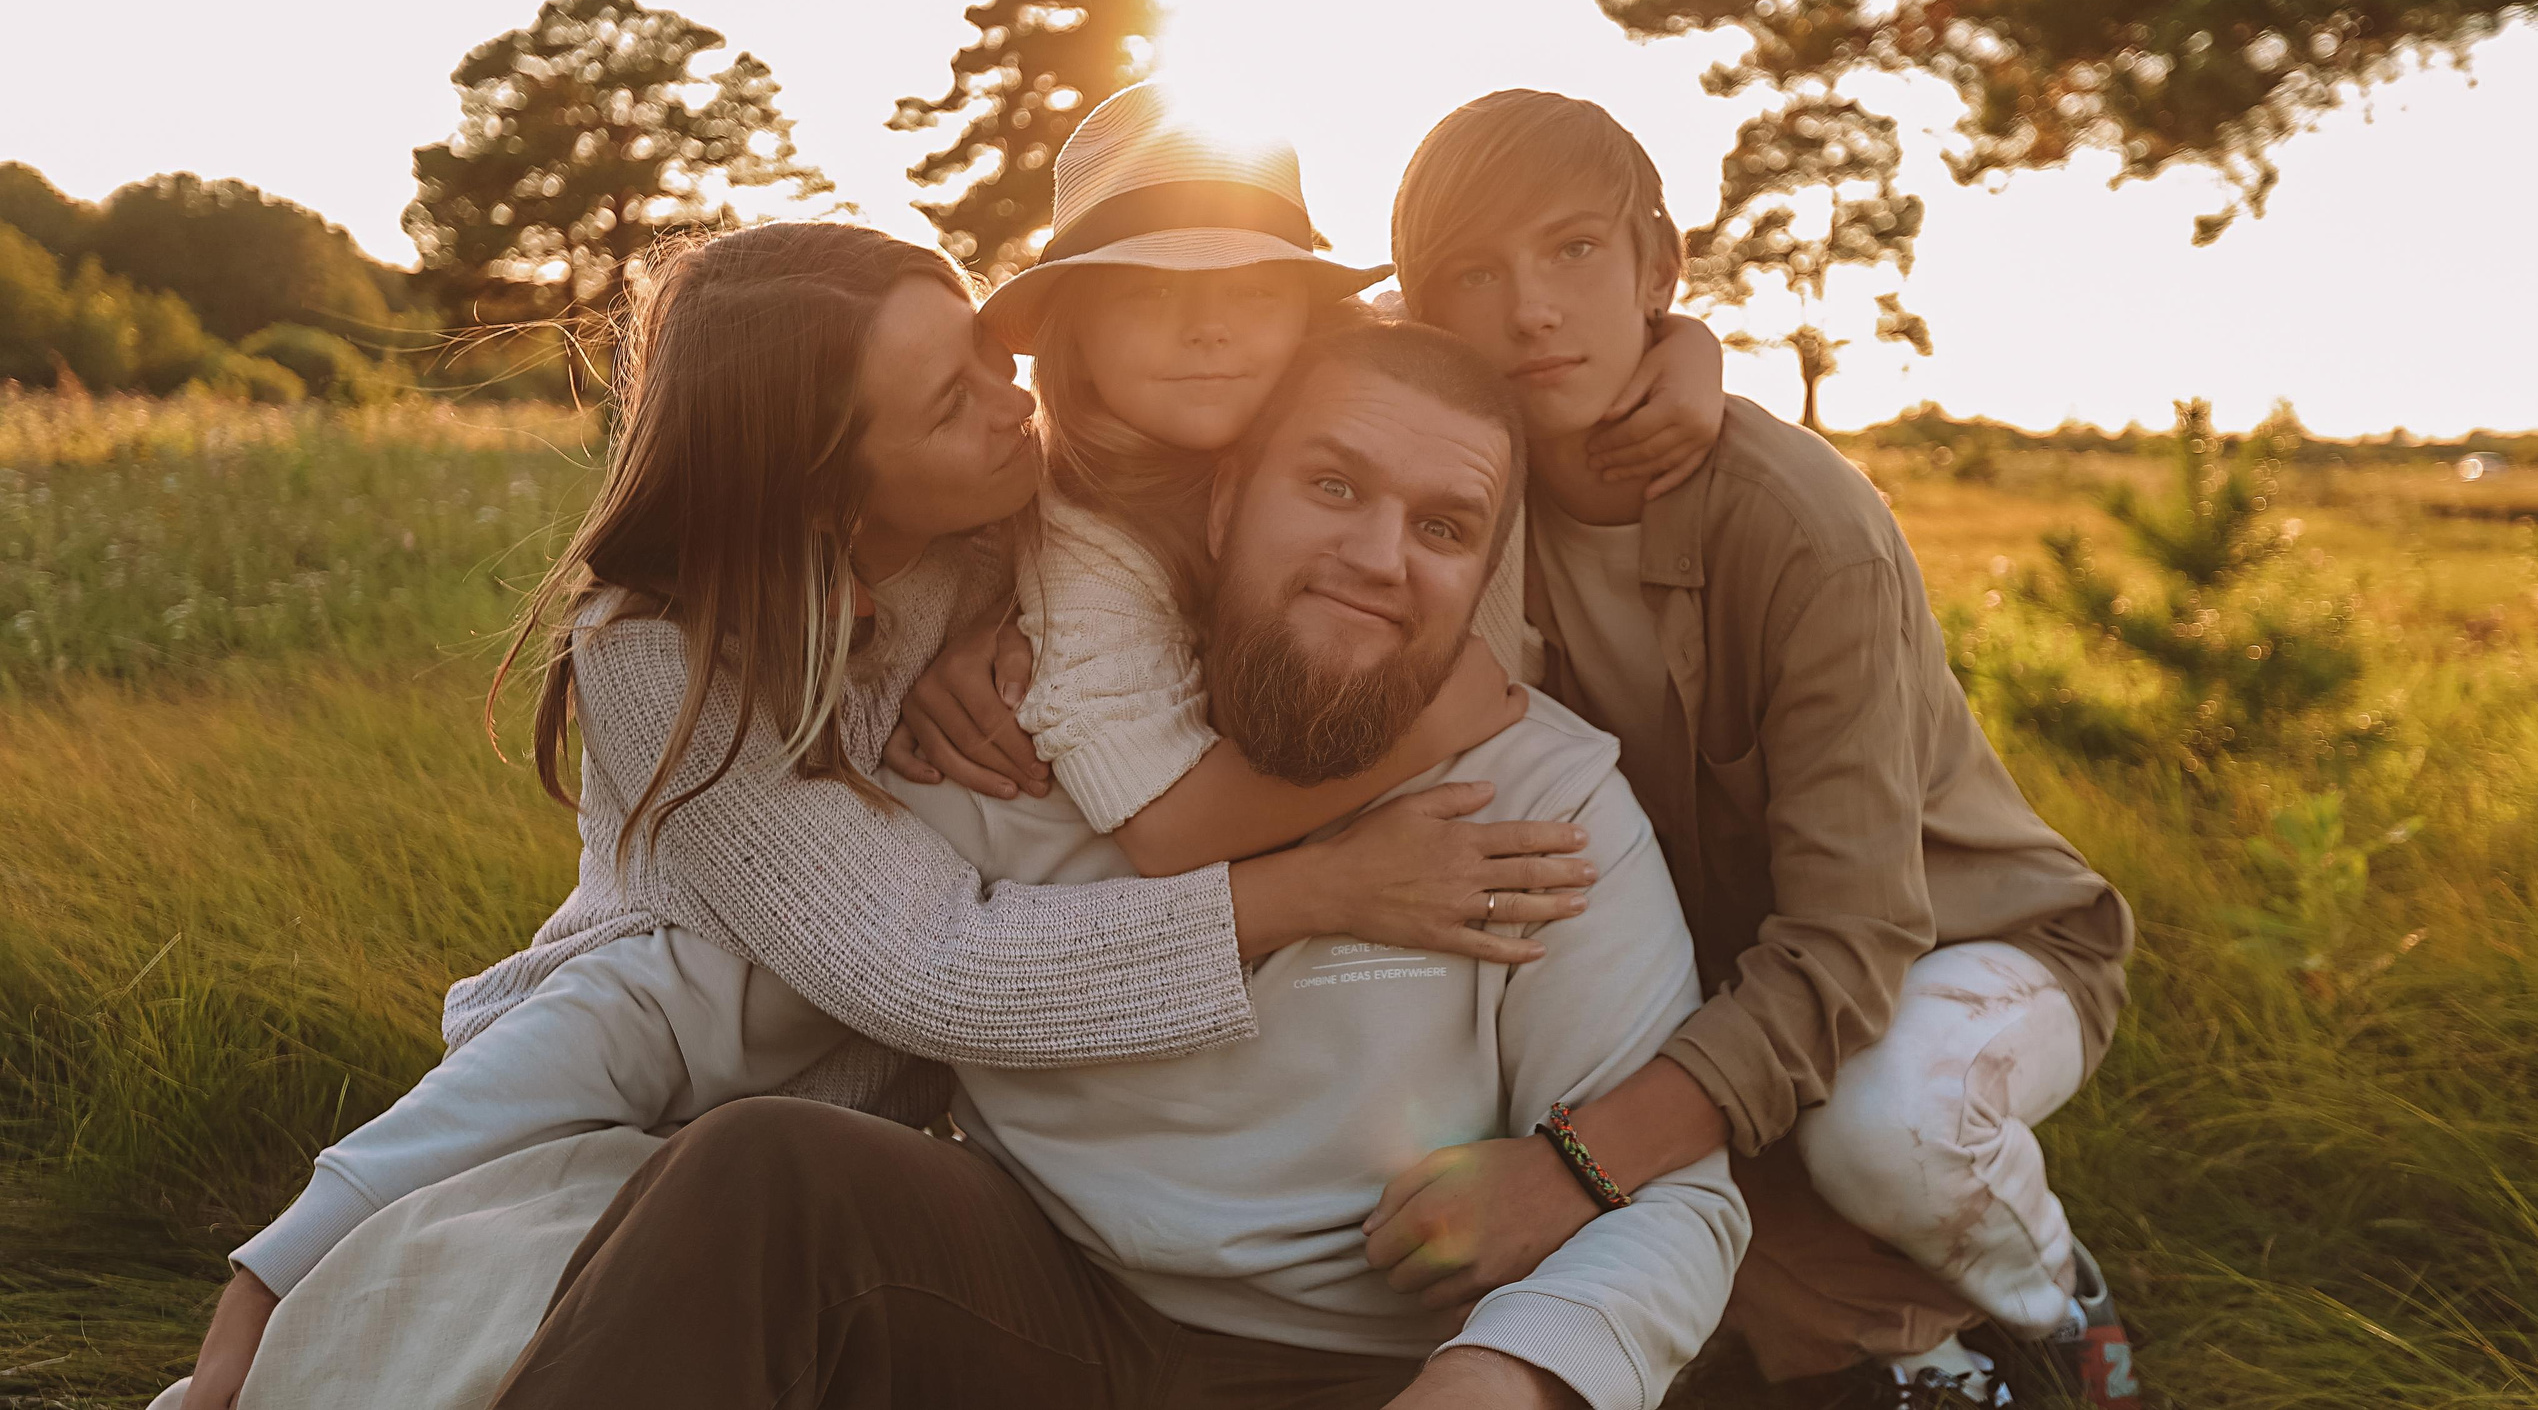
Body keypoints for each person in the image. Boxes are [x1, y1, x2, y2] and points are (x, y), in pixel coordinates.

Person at [170, 222, 1599, 1410]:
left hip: (850, 1126)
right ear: (828, 480)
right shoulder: (654, 655)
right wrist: (1327, 882)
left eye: (987, 347)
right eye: (948, 402)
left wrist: (1674, 351)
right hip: (642, 1044)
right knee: (373, 1329)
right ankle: (250, 1319)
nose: (1012, 400)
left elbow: (1353, 368)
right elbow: (928, 965)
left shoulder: (1009, 530)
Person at [483, 321, 1749, 1410]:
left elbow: (1676, 1202)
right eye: (1331, 487)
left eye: (1443, 525)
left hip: (1356, 1363)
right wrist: (389, 1178)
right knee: (761, 1171)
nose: (1379, 555)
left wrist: (1507, 1377)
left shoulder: (1544, 798)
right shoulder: (1017, 736)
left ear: (1482, 575)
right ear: (1220, 503)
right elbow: (788, 986)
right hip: (1035, 1295)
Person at [1369, 92, 2142, 1408]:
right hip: (1739, 963)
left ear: (1660, 266)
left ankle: (2062, 1309)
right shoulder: (1467, 495)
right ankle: (1897, 1345)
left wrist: (1567, 1169)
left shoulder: (1803, 529)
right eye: (1474, 275)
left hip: (1960, 943)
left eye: (1573, 253)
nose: (1532, 310)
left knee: (1884, 1126)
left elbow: (1849, 948)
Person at [882, 80, 1728, 865]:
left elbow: (1509, 344)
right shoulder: (1084, 530)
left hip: (1564, 789)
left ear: (1307, 311)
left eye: (1253, 292)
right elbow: (1164, 823)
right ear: (1075, 329)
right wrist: (1433, 730)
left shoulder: (1377, 379)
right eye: (1148, 293)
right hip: (1382, 782)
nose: (1208, 331)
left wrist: (1690, 346)